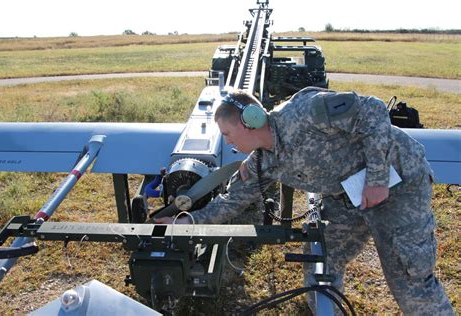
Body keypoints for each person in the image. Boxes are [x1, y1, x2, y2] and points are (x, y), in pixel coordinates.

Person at [155, 87, 454, 315]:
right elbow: (232, 201)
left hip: (398, 184)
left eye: (228, 134)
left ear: (250, 122)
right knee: (320, 262)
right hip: (348, 195)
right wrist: (186, 220)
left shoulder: (305, 112)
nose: (229, 143)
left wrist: (377, 178)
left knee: (409, 279)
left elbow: (373, 111)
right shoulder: (262, 163)